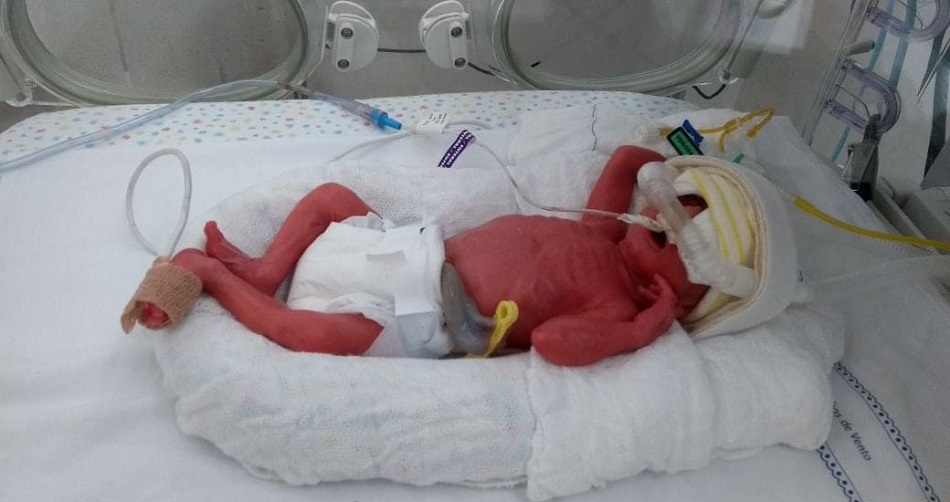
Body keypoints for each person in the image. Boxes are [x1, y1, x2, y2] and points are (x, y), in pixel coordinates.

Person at [122, 145, 711, 366]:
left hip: (422, 316)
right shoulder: (604, 233)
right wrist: (667, 165)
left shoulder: (617, 305)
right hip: (407, 244)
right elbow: (623, 163)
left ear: (686, 294)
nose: (669, 215)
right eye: (679, 206)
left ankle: (210, 277)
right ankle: (265, 269)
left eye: (686, 231)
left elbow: (555, 342)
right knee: (330, 197)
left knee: (308, 335)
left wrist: (640, 330)